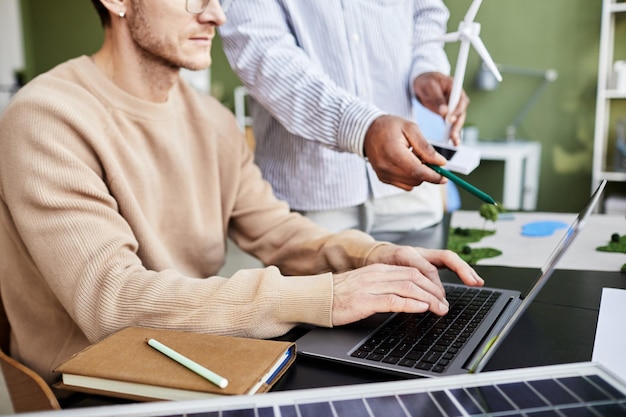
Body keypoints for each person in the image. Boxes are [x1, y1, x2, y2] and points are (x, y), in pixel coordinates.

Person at [0, 0, 482, 392]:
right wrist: (327, 295)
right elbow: (114, 303)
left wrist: (373, 256)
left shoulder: (211, 119)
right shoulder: (47, 118)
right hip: (91, 386)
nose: (216, 15)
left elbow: (275, 229)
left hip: (191, 358)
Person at [219, 0, 469, 234]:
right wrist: (363, 129)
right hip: (312, 196)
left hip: (412, 189)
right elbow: (263, 54)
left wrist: (426, 67)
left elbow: (427, 11)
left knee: (430, 280)